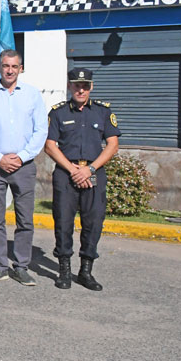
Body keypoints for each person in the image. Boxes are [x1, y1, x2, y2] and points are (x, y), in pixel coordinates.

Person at [0, 49, 48, 285]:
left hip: (24, 166)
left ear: (21, 68)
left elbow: (41, 131)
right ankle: (0, 265)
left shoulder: (33, 95)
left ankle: (21, 266)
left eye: (14, 66)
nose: (10, 70)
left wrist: (23, 156)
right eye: (6, 66)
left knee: (25, 219)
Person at [44, 68, 120, 291]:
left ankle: (86, 271)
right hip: (66, 174)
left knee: (93, 223)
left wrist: (91, 170)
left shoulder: (103, 112)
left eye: (85, 85)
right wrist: (73, 170)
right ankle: (64, 270)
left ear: (91, 87)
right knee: (63, 223)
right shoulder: (58, 113)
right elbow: (50, 146)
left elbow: (113, 145)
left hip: (94, 173)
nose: (81, 89)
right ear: (70, 86)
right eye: (77, 85)